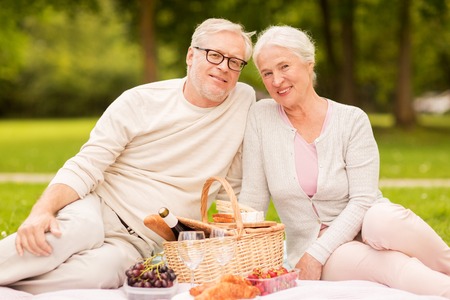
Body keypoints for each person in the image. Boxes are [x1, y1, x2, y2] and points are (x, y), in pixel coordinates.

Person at [0, 18, 255, 294]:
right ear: (191, 55)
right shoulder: (140, 101)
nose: (223, 67)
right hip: (99, 205)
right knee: (74, 232)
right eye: (215, 55)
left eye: (234, 62)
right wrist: (42, 211)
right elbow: (86, 165)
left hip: (141, 242)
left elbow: (233, 187)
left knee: (100, 273)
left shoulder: (242, 102)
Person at [238, 25, 450, 298]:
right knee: (393, 266)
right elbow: (253, 199)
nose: (276, 80)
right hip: (323, 250)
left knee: (384, 218)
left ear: (308, 63)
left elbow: (363, 199)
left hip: (367, 222)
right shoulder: (261, 117)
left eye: (284, 66)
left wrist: (317, 254)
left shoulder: (352, 119)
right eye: (267, 73)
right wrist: (236, 247)